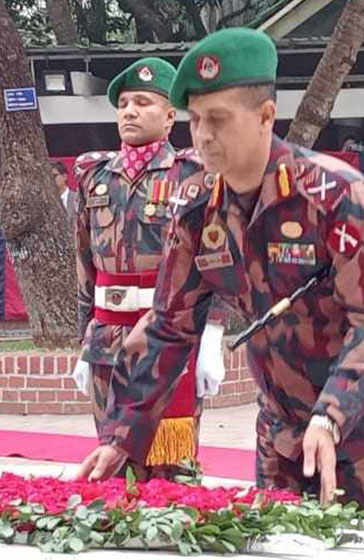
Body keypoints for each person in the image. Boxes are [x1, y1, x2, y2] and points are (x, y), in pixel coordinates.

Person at [77, 28, 364, 523]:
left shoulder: (335, 195)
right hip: (282, 430)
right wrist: (120, 437)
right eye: (197, 120)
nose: (203, 136)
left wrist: (331, 416)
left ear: (267, 116)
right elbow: (168, 327)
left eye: (218, 120)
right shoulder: (199, 211)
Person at [70, 56, 225, 479]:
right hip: (107, 336)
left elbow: (215, 263)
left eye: (143, 102)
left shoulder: (194, 175)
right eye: (123, 104)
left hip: (168, 337)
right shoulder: (93, 175)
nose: (130, 111)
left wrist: (211, 336)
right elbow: (85, 263)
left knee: (168, 466)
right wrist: (83, 341)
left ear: (171, 115)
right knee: (111, 461)